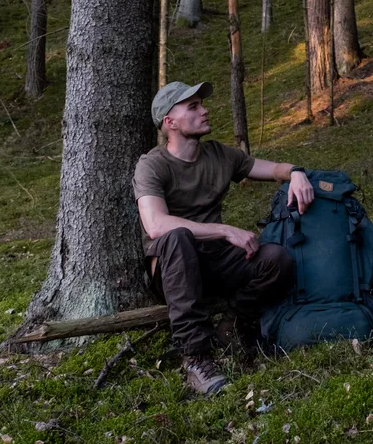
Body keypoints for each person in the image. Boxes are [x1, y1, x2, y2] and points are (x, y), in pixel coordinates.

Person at [134, 80, 314, 396]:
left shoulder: (220, 155)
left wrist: (296, 172)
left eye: (202, 104)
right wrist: (226, 230)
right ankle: (196, 358)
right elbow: (155, 225)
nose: (204, 110)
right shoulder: (152, 164)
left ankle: (235, 325)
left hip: (216, 261)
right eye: (193, 107)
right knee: (177, 238)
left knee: (277, 260)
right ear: (170, 123)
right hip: (173, 268)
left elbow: (273, 169)